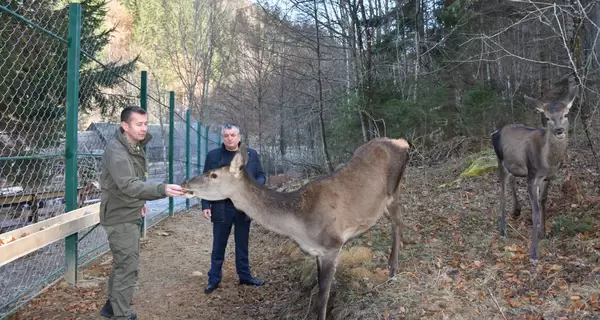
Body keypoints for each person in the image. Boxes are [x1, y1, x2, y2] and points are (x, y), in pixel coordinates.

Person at [99, 106, 184, 319]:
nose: (144, 128)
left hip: (129, 210)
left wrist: (140, 202)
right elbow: (129, 184)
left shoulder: (133, 146)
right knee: (128, 267)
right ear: (125, 125)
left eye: (146, 123)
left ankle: (111, 307)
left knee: (123, 263)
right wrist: (161, 189)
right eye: (139, 124)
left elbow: (133, 183)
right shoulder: (117, 151)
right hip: (120, 217)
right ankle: (121, 315)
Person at [201, 123, 266, 294]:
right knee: (218, 245)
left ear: (239, 136)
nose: (229, 138)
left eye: (233, 135)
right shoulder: (213, 155)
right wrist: (205, 204)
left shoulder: (251, 154)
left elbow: (260, 174)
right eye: (226, 135)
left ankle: (245, 276)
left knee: (242, 243)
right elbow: (205, 181)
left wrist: (256, 187)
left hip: (244, 206)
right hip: (221, 206)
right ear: (222, 137)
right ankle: (214, 279)